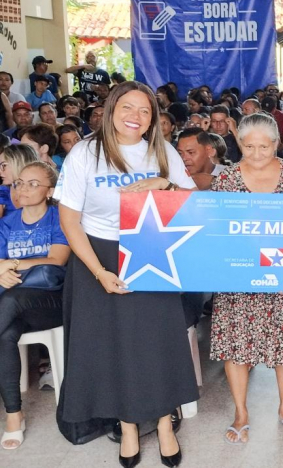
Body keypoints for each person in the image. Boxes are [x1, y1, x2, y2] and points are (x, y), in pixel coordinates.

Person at [55, 81, 198, 468]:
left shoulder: (162, 150)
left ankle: (166, 421)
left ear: (154, 118)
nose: (135, 117)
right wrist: (100, 272)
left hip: (150, 250)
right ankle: (128, 424)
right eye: (127, 108)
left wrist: (163, 183)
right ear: (110, 110)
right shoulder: (86, 152)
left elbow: (193, 199)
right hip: (95, 255)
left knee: (158, 340)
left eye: (145, 111)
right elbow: (69, 219)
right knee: (110, 346)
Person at [208, 114, 283, 444]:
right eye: (248, 146)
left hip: (282, 275)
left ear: (277, 144)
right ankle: (241, 412)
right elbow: (216, 229)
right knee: (236, 347)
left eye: (264, 147)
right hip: (238, 275)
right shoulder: (226, 180)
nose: (256, 153)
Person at [0, 162, 68, 450]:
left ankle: (14, 416)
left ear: (49, 190)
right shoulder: (8, 222)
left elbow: (56, 262)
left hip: (50, 300)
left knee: (12, 299)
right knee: (5, 334)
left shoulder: (59, 218)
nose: (23, 189)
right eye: (19, 183)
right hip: (10, 302)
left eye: (32, 184)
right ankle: (14, 415)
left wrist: (11, 264)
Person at [0, 144, 39, 216]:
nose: (0, 171)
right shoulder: (3, 191)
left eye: (4, 165)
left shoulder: (42, 189)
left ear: (19, 164)